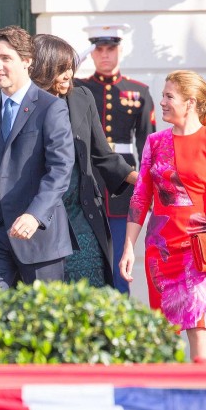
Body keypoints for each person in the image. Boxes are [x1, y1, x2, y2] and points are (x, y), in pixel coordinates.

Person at [119, 70, 206, 359]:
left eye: (169, 96)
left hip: (199, 249)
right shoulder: (155, 142)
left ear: (190, 103)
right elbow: (141, 197)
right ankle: (167, 397)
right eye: (162, 96)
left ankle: (203, 394)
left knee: (199, 327)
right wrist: (128, 248)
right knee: (163, 331)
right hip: (160, 250)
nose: (162, 102)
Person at [0, 26, 75, 299]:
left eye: (6, 58)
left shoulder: (51, 107)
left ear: (27, 61)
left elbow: (61, 169)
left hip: (40, 239)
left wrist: (34, 214)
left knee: (44, 332)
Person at [30, 33, 137, 287]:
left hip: (82, 213)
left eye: (70, 67)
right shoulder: (26, 103)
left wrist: (142, 180)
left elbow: (102, 153)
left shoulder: (82, 96)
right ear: (45, 68)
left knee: (92, 291)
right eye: (61, 69)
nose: (69, 75)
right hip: (40, 215)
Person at [75, 24, 156, 294]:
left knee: (122, 263)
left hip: (123, 185)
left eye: (111, 49)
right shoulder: (79, 88)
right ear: (92, 53)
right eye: (99, 49)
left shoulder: (139, 91)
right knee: (88, 262)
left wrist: (149, 186)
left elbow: (147, 145)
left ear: (120, 50)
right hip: (88, 178)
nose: (105, 55)